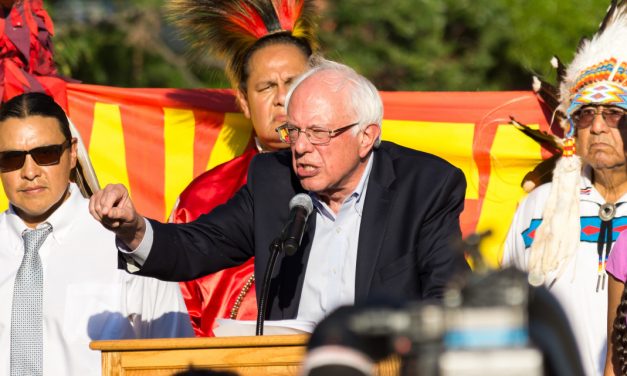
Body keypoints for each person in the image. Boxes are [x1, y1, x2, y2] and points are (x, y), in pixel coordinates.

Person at [89, 59, 470, 324]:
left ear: (366, 136)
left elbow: (448, 298)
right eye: (294, 131)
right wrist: (134, 230)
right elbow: (197, 245)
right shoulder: (273, 179)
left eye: (318, 133)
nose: (300, 147)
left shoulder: (425, 187)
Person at [0, 92, 194, 376]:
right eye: (12, 159)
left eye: (46, 154)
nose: (30, 171)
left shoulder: (127, 243)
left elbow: (176, 362)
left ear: (72, 152)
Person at [166, 0, 319, 336]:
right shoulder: (202, 199)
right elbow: (179, 317)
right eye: (266, 87)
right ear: (243, 101)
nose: (282, 98)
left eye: (293, 83)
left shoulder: (352, 183)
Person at [503, 3, 627, 375]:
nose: (598, 127)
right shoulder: (540, 206)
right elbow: (510, 305)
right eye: (586, 114)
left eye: (614, 113)